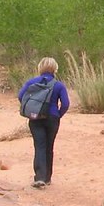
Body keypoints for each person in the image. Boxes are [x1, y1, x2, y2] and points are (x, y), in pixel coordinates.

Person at [17, 57, 70, 188]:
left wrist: (32, 108)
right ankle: (47, 178)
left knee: (39, 146)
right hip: (52, 118)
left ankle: (39, 177)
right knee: (49, 147)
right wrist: (58, 115)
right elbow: (65, 104)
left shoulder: (31, 82)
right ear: (55, 69)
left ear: (40, 67)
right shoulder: (58, 85)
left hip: (35, 118)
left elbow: (21, 96)